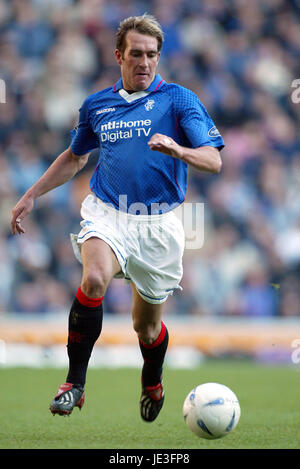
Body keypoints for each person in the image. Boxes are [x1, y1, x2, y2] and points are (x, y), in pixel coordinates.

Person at [11, 14, 224, 422]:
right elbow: (75, 158)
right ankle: (74, 383)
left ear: (159, 57)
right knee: (93, 279)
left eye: (152, 55)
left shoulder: (180, 100)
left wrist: (179, 151)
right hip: (107, 212)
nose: (144, 62)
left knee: (145, 329)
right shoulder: (96, 105)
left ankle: (153, 381)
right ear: (119, 56)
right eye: (136, 54)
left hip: (159, 225)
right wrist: (31, 194)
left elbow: (213, 160)